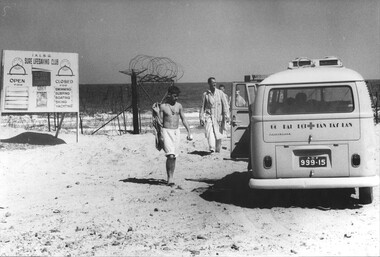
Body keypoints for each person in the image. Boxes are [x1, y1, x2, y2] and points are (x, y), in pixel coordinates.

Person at [152, 85, 193, 186]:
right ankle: (169, 178)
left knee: (174, 156)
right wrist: (156, 113)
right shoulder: (163, 106)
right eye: (175, 96)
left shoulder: (179, 106)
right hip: (166, 132)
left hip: (176, 132)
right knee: (170, 155)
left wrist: (189, 131)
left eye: (177, 96)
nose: (176, 98)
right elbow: (159, 122)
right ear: (169, 95)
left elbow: (183, 119)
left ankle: (171, 176)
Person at [199, 77, 230, 153]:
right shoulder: (206, 94)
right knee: (210, 131)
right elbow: (202, 106)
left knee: (219, 133)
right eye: (212, 82)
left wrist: (227, 116)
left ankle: (217, 150)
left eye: (215, 82)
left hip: (219, 116)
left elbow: (225, 105)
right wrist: (201, 117)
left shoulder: (220, 93)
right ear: (209, 83)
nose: (214, 84)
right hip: (209, 116)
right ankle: (212, 148)